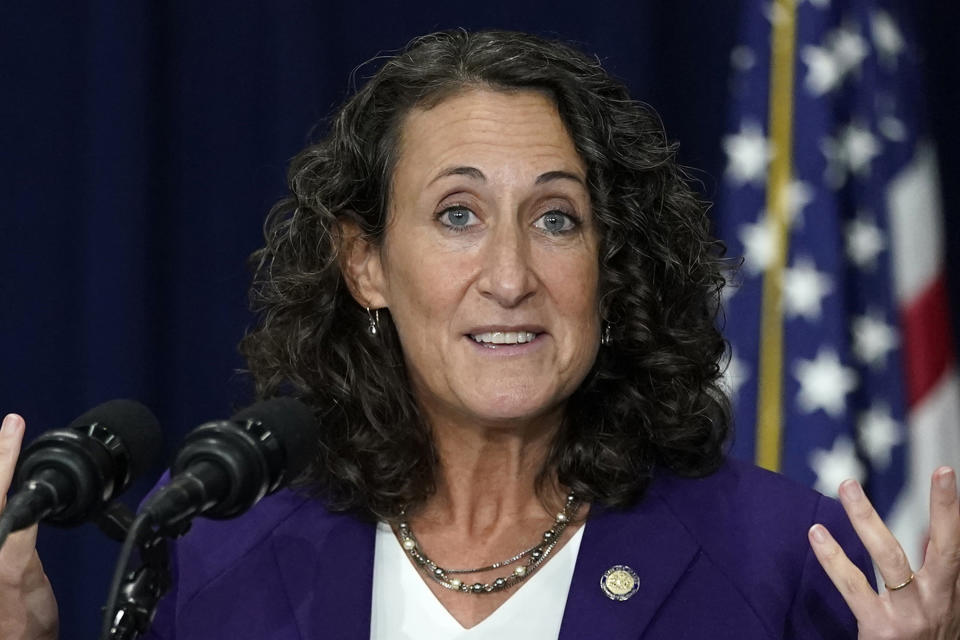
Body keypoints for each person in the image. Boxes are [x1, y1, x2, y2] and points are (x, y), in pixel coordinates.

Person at [1, 29, 959, 639]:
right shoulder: (213, 540)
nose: (509, 277)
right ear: (366, 262)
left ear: (609, 267)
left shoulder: (783, 557)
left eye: (556, 219)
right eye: (457, 213)